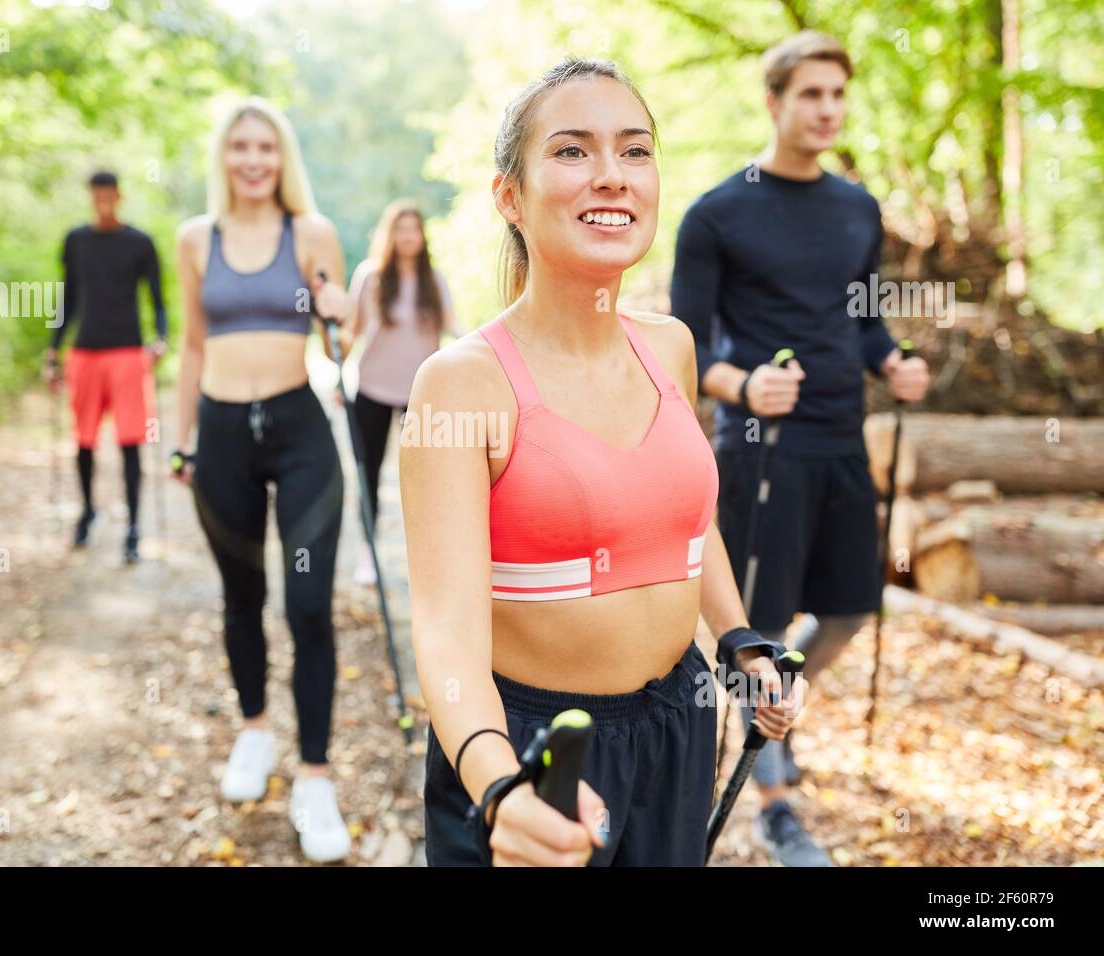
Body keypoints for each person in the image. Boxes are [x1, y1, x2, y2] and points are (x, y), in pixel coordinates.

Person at [401, 57, 808, 867]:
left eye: (635, 150)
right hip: (533, 749)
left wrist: (739, 642)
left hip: (676, 728)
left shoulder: (672, 347)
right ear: (509, 196)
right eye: (573, 151)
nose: (612, 176)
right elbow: (445, 638)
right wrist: (496, 788)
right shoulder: (459, 383)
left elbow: (687, 524)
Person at [670, 31, 930, 866]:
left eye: (837, 95)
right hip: (759, 445)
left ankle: (774, 706)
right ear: (775, 101)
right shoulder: (717, 213)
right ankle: (775, 799)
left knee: (854, 604)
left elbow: (863, 322)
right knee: (762, 621)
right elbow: (687, 348)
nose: (826, 110)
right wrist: (742, 387)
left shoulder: (857, 207)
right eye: (810, 94)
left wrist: (892, 361)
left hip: (841, 439)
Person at [169, 96, 355, 864]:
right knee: (240, 596)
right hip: (220, 433)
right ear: (225, 156)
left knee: (308, 604)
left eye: (266, 148)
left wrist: (343, 308)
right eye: (240, 146)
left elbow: (343, 337)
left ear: (282, 158)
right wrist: (179, 444)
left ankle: (314, 775)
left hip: (299, 430)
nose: (253, 159)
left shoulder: (311, 235)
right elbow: (189, 345)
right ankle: (253, 729)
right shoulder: (194, 239)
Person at [45, 170, 168, 564]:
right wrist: (53, 349)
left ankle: (133, 527)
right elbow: (68, 298)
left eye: (109, 194)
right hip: (84, 354)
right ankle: (87, 512)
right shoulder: (76, 241)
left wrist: (161, 338)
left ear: (119, 195)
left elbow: (158, 301)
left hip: (128, 354)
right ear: (90, 195)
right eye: (96, 194)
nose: (103, 201)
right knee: (83, 440)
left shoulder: (140, 243)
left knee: (130, 442)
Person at [343, 199, 462, 585]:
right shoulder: (369, 276)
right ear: (389, 234)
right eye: (400, 229)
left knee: (426, 477)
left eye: (414, 229)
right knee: (369, 473)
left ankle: (426, 557)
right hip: (372, 389)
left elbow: (453, 327)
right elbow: (351, 330)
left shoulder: (435, 281)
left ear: (422, 236)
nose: (407, 236)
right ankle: (368, 553)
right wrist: (333, 351)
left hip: (421, 394)